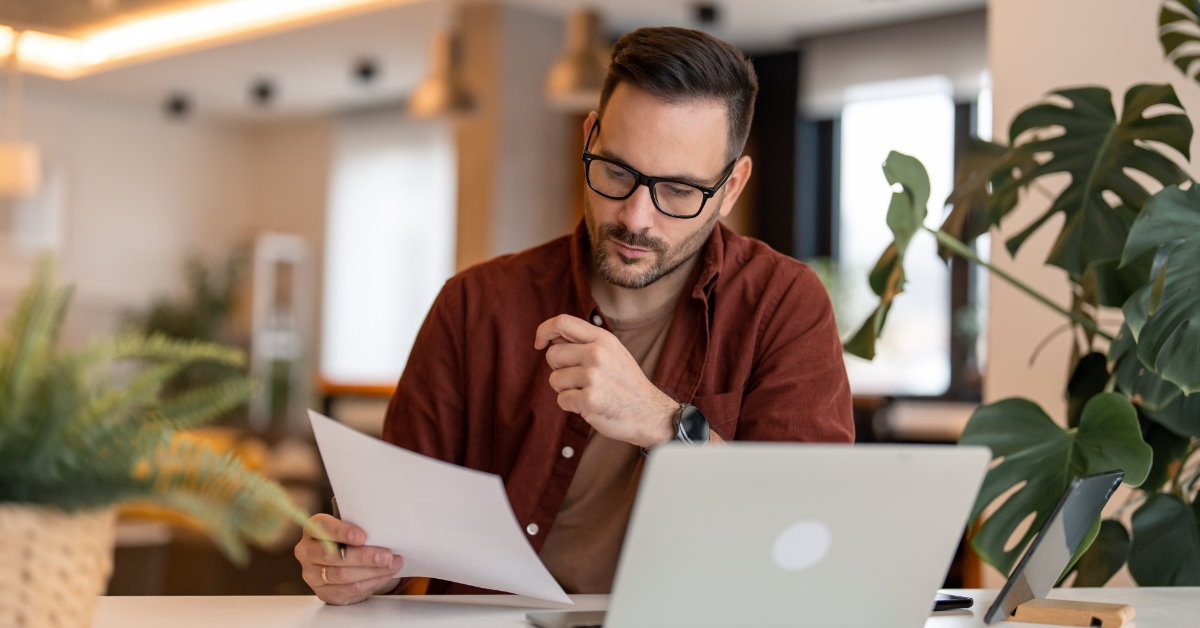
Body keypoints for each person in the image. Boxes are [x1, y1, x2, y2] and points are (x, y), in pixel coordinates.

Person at [294, 25, 853, 606]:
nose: (637, 217)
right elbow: (393, 531)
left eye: (680, 191)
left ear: (731, 186)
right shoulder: (474, 305)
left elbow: (807, 533)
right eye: (616, 172)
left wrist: (662, 424)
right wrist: (359, 564)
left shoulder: (784, 304)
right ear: (589, 136)